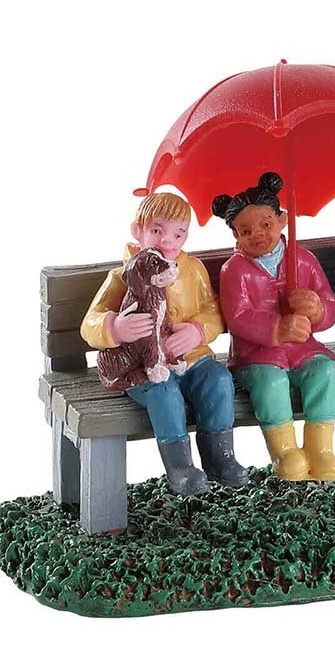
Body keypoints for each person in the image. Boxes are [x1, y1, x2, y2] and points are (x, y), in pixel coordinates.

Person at [81, 192, 249, 494]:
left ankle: (220, 457)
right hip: (143, 366)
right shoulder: (123, 276)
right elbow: (89, 323)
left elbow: (213, 310)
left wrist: (198, 331)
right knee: (165, 392)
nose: (167, 240)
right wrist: (115, 327)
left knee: (219, 380)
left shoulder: (193, 270)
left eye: (178, 233)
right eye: (157, 230)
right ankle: (180, 468)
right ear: (138, 230)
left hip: (193, 359)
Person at [213, 173, 335, 482]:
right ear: (235, 235)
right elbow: (238, 317)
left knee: (326, 372)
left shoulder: (303, 260)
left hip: (302, 349)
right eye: (246, 231)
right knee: (271, 384)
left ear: (282, 221)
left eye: (266, 224)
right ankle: (284, 451)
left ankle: (320, 447)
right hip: (256, 355)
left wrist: (318, 309)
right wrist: (276, 329)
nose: (257, 235)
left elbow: (329, 303)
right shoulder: (234, 271)